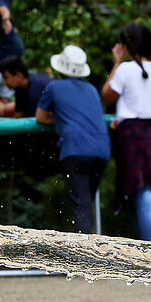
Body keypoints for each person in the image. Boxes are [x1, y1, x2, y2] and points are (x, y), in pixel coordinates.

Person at [101, 23, 151, 242]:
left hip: (132, 136)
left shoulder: (125, 69)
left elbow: (106, 97)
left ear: (128, 46)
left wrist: (117, 62)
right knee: (145, 194)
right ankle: (148, 251)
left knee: (141, 194)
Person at [35, 45, 110, 233]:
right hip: (101, 150)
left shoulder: (53, 87)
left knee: (81, 207)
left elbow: (40, 117)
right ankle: (91, 248)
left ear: (60, 68)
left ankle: (86, 258)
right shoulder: (92, 89)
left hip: (75, 149)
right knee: (86, 204)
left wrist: (60, 118)